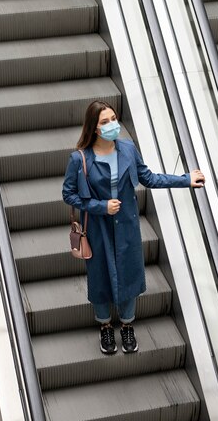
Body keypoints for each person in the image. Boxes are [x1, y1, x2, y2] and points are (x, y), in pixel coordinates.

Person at [62, 100, 205, 355]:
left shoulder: (127, 148)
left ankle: (127, 325)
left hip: (127, 225)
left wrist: (186, 180)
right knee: (100, 277)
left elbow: (148, 178)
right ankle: (105, 326)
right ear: (94, 128)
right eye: (104, 122)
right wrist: (100, 206)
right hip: (99, 229)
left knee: (129, 274)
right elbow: (69, 195)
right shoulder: (80, 159)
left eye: (113, 119)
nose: (111, 125)